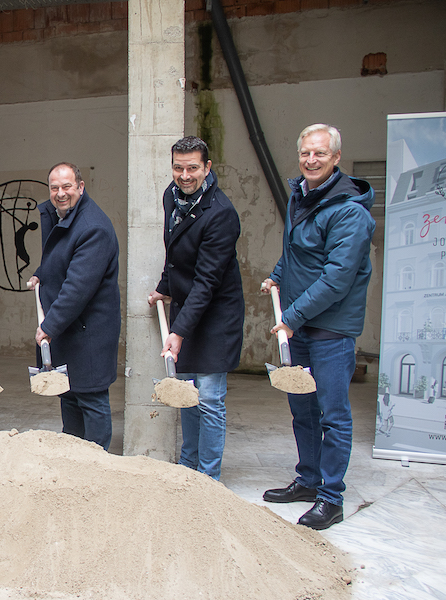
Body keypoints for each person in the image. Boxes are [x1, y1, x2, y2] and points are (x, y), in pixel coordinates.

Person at [261, 123, 376, 530]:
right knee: (303, 409)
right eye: (306, 153)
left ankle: (331, 497)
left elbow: (337, 279)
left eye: (320, 154)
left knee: (333, 414)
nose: (311, 160)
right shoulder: (302, 195)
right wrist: (277, 275)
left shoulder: (349, 212)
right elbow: (295, 250)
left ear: (336, 158)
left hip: (330, 330)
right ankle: (308, 480)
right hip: (302, 326)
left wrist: (290, 318)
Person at [147, 136, 244, 481]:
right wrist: (163, 287)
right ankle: (188, 468)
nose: (185, 175)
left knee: (210, 398)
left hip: (216, 316)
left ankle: (208, 478)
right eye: (178, 167)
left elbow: (207, 282)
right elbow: (173, 253)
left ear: (207, 168)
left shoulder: (221, 214)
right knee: (188, 394)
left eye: (192, 168)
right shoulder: (171, 198)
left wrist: (179, 332)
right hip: (188, 310)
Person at [28, 162, 120, 451]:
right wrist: (42, 273)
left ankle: (97, 465)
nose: (60, 193)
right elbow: (62, 258)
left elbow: (78, 287)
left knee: (91, 398)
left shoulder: (93, 228)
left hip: (89, 331)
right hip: (71, 330)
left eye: (67, 186)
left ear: (81, 187)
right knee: (69, 395)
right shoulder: (64, 217)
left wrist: (49, 326)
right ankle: (73, 460)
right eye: (54, 187)